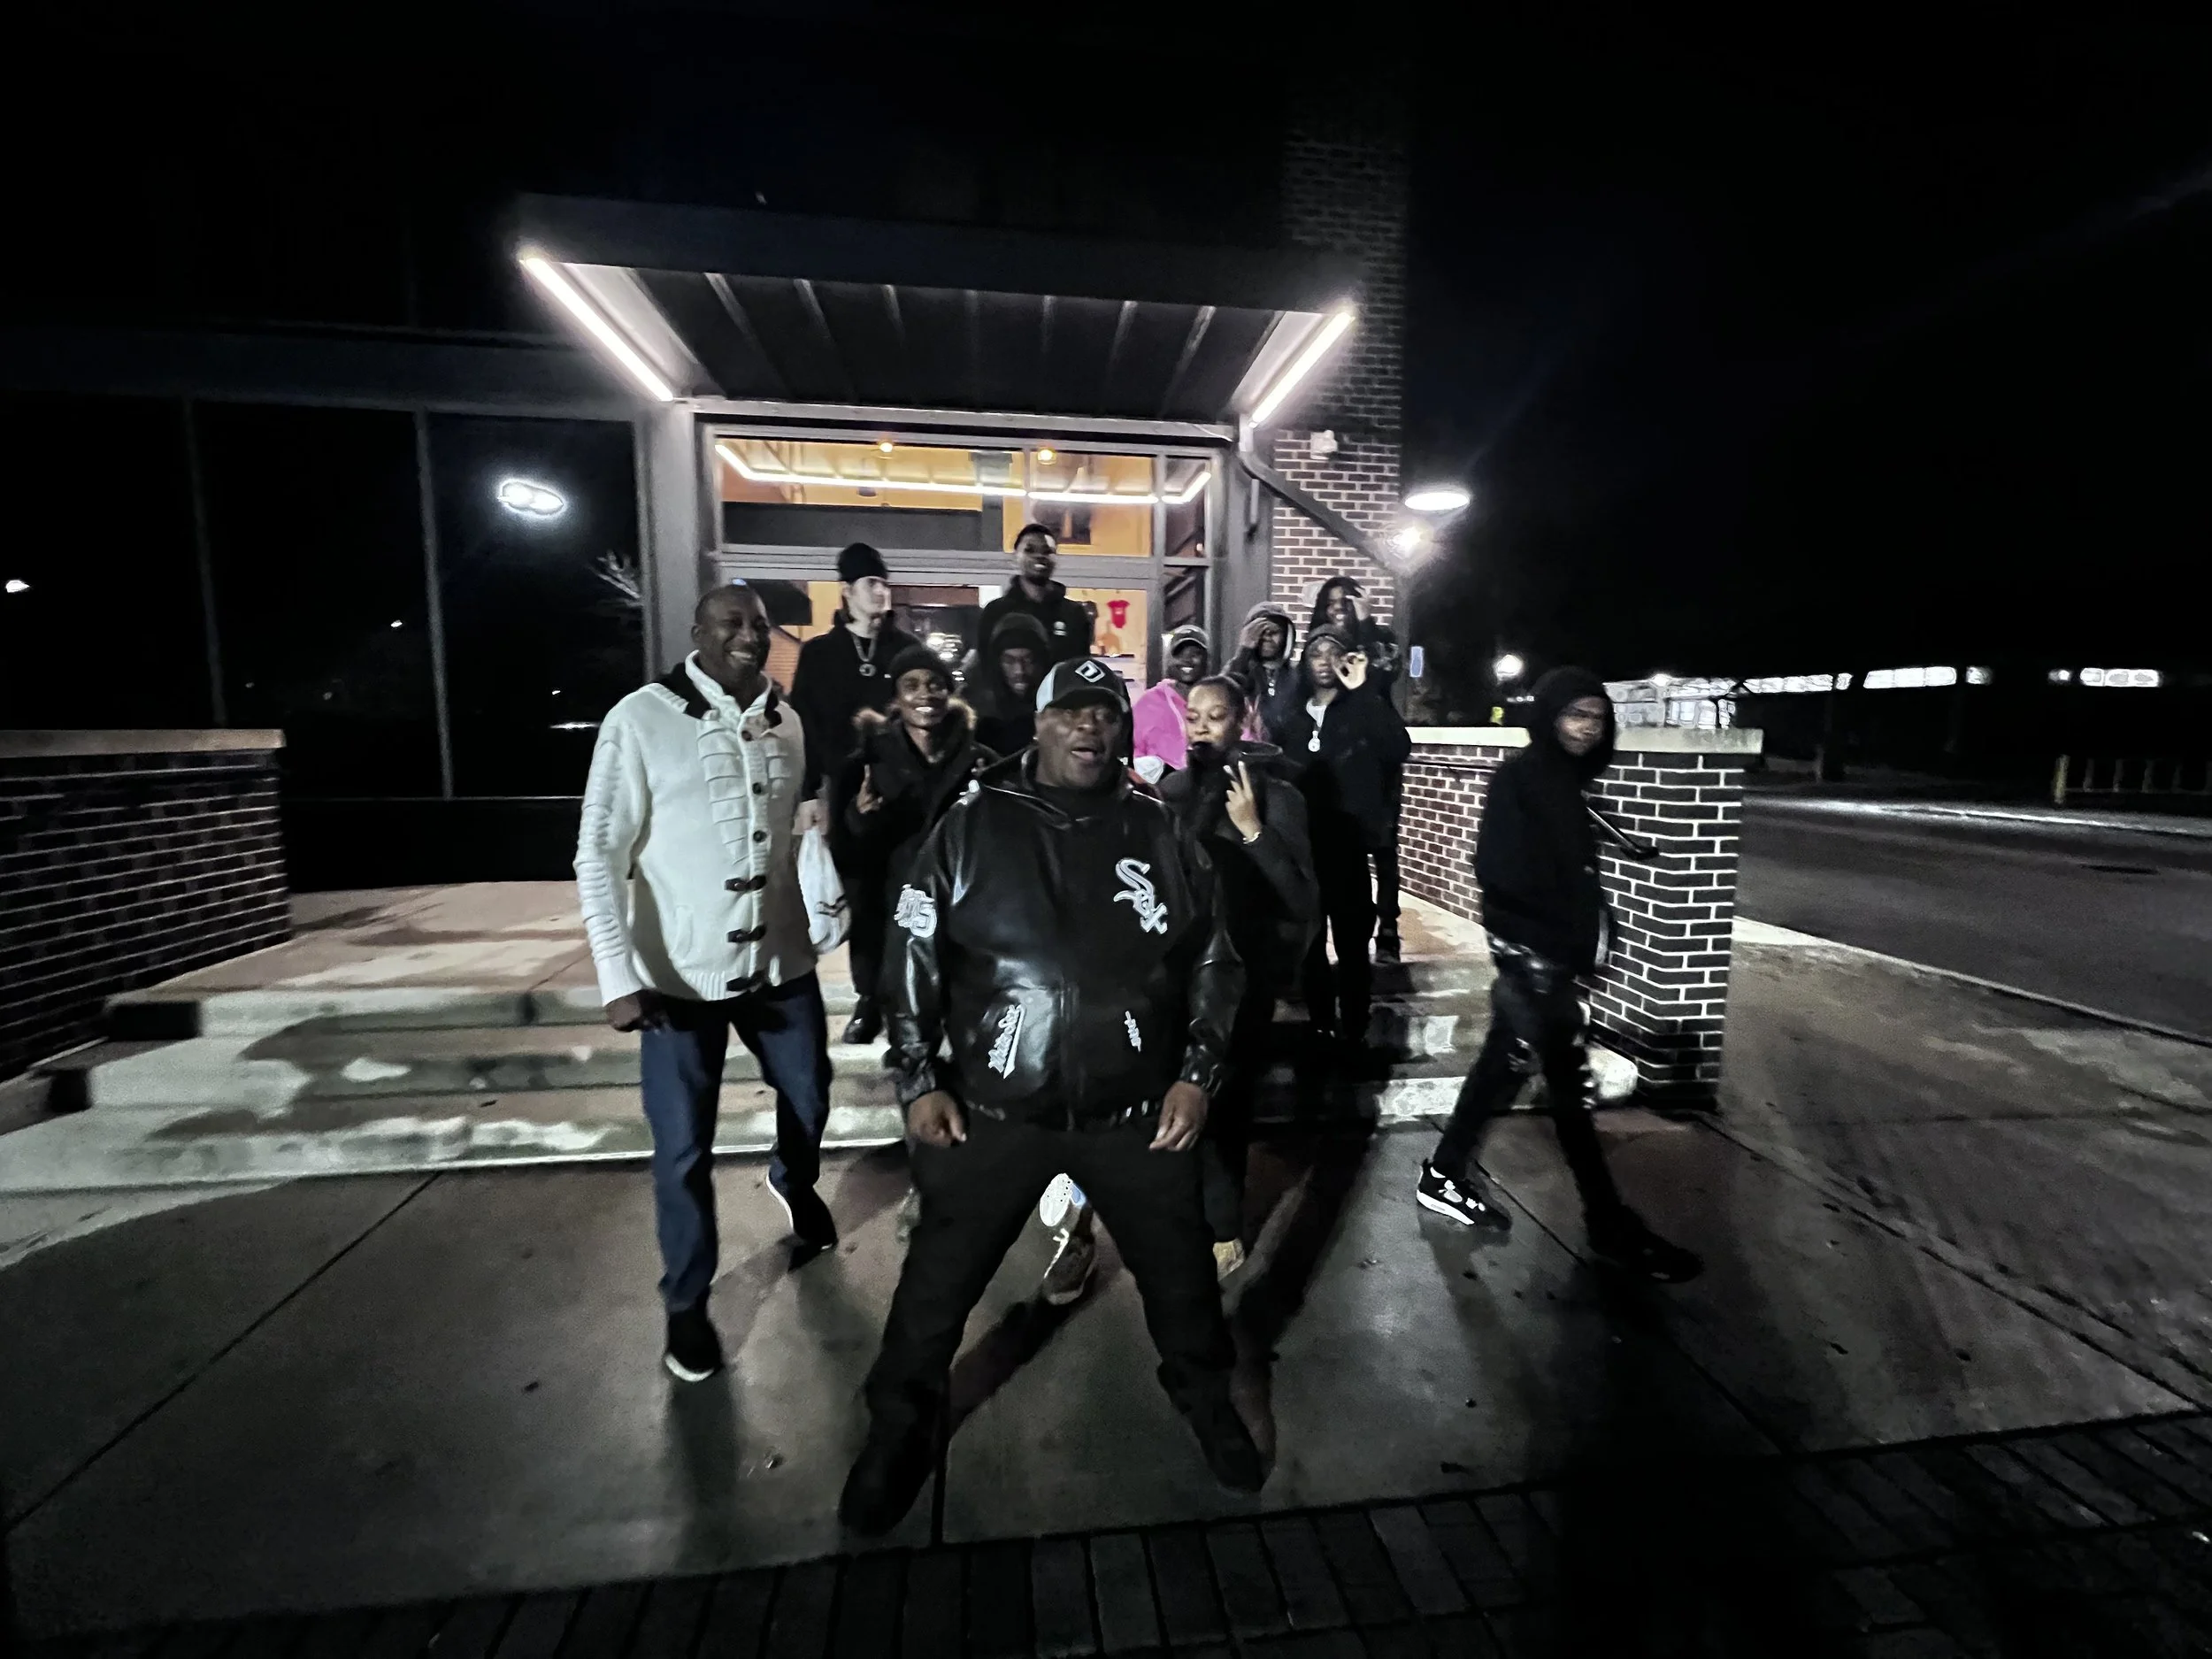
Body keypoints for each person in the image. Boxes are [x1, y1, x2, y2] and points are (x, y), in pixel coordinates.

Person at [839, 656, 1260, 1533]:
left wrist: (1197, 1071)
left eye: (1104, 711)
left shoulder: (1162, 830)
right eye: (1068, 711)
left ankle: (1205, 1399)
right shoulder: (972, 825)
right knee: (933, 1292)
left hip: (1135, 1114)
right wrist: (916, 1076)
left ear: (1123, 725)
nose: (1088, 727)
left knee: (1181, 1282)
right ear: (1035, 724)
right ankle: (896, 1431)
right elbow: (910, 948)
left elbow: (1217, 959)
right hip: (996, 1108)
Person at [576, 583, 840, 1386]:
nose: (749, 636)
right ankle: (686, 1305)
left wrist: (820, 893)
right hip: (674, 982)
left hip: (779, 967)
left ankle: (793, 1179)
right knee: (683, 1150)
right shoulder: (640, 717)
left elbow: (797, 829)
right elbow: (598, 854)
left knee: (812, 1098)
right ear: (696, 630)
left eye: (760, 625)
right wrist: (616, 974)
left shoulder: (788, 719)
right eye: (731, 621)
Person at [1415, 668, 1702, 1283]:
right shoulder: (1521, 778)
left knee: (1498, 1071)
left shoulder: (1567, 784)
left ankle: (1442, 1173)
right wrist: (1558, 927)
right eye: (1574, 714)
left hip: (1551, 965)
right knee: (1570, 1096)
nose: (1585, 727)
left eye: (1596, 717)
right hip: (1532, 966)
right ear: (1548, 716)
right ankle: (1608, 1225)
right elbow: (1496, 871)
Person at [1162, 676, 1316, 1275]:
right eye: (1193, 715)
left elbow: (1301, 897)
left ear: (1243, 718)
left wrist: (1254, 830)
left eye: (1216, 715)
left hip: (1242, 977)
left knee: (1226, 1105)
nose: (1201, 726)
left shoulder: (1279, 796)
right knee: (1173, 1100)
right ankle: (1178, 1212)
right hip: (1174, 976)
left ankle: (1223, 1220)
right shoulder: (1169, 792)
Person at [828, 645, 997, 1054]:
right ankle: (875, 1004)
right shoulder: (864, 761)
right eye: (912, 685)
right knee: (887, 949)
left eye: (936, 684)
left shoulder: (979, 760)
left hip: (956, 887)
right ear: (897, 697)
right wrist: (860, 815)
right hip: (889, 887)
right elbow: (844, 845)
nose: (926, 694)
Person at [1277, 626, 1411, 1059]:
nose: (1323, 659)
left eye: (1333, 651)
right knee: (1311, 942)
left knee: (1353, 942)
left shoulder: (1362, 708)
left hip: (1348, 843)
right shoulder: (1293, 714)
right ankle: (1319, 1022)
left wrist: (1365, 691)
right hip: (1305, 843)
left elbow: (1398, 748)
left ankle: (1354, 1024)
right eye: (1315, 651)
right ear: (1305, 661)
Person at [1309, 575, 1408, 962]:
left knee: (1383, 845)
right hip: (1337, 755)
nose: (1338, 607)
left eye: (1345, 601)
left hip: (1375, 751)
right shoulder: (1320, 642)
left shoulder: (1376, 636)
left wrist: (1366, 625)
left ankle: (1388, 930)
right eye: (1331, 602)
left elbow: (1387, 672)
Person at [789, 541, 926, 802]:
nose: (881, 591)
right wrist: (809, 792)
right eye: (871, 583)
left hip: (901, 786)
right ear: (847, 590)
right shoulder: (819, 654)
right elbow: (805, 727)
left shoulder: (907, 649)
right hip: (837, 788)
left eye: (885, 584)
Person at [977, 523, 1094, 666]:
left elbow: (1081, 666)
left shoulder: (1074, 614)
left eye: (1047, 551)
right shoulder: (996, 612)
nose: (1039, 556)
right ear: (1015, 558)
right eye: (1029, 550)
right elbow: (985, 665)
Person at [1129, 623, 1210, 782]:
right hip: (1161, 795)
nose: (1187, 660)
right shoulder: (1147, 703)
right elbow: (1131, 753)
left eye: (1195, 653)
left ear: (1207, 659)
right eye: (1179, 654)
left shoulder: (1219, 698)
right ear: (1169, 660)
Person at [969, 611, 1049, 756]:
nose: (1020, 671)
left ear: (1042, 661)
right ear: (997, 663)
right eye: (1009, 661)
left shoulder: (1058, 709)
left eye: (1028, 660)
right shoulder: (976, 714)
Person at [1225, 603, 1301, 745]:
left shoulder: (1299, 676)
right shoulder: (1238, 670)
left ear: (1286, 637)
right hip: (1246, 757)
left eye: (1274, 632)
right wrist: (1244, 651)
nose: (1267, 637)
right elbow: (1222, 697)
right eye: (1260, 631)